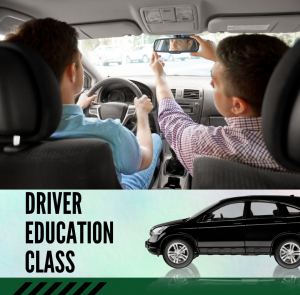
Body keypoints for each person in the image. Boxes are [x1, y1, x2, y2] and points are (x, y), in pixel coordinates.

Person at [5, 18, 162, 189]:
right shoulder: (109, 133)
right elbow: (144, 159)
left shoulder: (8, 141)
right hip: (114, 210)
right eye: (80, 61)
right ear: (72, 71)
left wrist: (77, 107)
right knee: (153, 140)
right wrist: (142, 114)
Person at [150, 34, 294, 175]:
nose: (211, 83)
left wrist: (159, 75)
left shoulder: (206, 144)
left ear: (237, 106)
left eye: (216, 83)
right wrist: (219, 59)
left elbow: (170, 118)